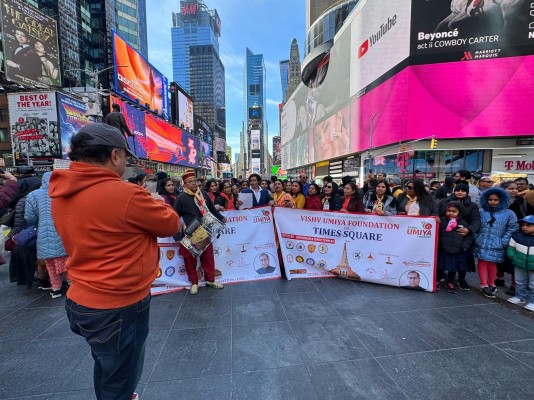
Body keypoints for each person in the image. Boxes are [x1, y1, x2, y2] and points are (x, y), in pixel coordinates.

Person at [50, 123, 180, 400]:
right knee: (121, 379)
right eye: (125, 155)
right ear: (114, 156)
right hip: (118, 306)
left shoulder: (61, 190)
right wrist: (153, 199)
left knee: (108, 367)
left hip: (81, 299)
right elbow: (170, 223)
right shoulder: (127, 195)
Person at [174, 169, 226, 295]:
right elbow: (174, 216)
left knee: (208, 257)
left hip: (206, 231)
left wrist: (221, 218)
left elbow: (212, 210)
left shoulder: (204, 194)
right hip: (190, 234)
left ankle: (210, 280)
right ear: (184, 184)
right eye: (190, 182)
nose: (193, 183)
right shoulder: (181, 198)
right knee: (190, 260)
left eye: (195, 181)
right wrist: (177, 235)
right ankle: (194, 282)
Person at [25, 172, 69, 298]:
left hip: (44, 234)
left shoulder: (33, 195)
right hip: (64, 232)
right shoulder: (63, 193)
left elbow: (29, 217)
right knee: (67, 262)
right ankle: (72, 284)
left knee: (50, 263)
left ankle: (56, 288)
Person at [474, 187, 518, 298]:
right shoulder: (481, 211)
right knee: (482, 262)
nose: (492, 202)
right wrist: (476, 237)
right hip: (482, 241)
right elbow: (475, 224)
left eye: (496, 200)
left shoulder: (509, 213)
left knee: (493, 262)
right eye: (490, 200)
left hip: (497, 242)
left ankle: (492, 283)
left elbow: (512, 228)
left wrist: (504, 241)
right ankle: (484, 284)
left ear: (501, 200)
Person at [495, 181, 527, 295]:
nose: (514, 190)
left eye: (515, 188)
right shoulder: (498, 201)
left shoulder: (521, 201)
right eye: (510, 188)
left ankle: (514, 285)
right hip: (500, 232)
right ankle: (499, 278)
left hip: (517, 234)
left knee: (513, 259)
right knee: (499, 256)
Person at [437, 202, 473, 293]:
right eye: (449, 211)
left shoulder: (463, 223)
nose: (451, 213)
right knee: (440, 266)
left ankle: (450, 282)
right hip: (443, 248)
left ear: (459, 212)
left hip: (457, 250)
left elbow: (468, 236)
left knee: (453, 268)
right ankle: (437, 281)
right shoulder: (441, 221)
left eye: (454, 211)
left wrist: (464, 245)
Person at [507, 215, 534, 311]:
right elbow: (511, 247)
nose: (525, 227)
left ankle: (532, 301)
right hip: (519, 264)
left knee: (533, 284)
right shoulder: (517, 236)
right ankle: (519, 297)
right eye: (523, 225)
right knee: (519, 281)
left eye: (529, 225)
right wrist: (513, 256)